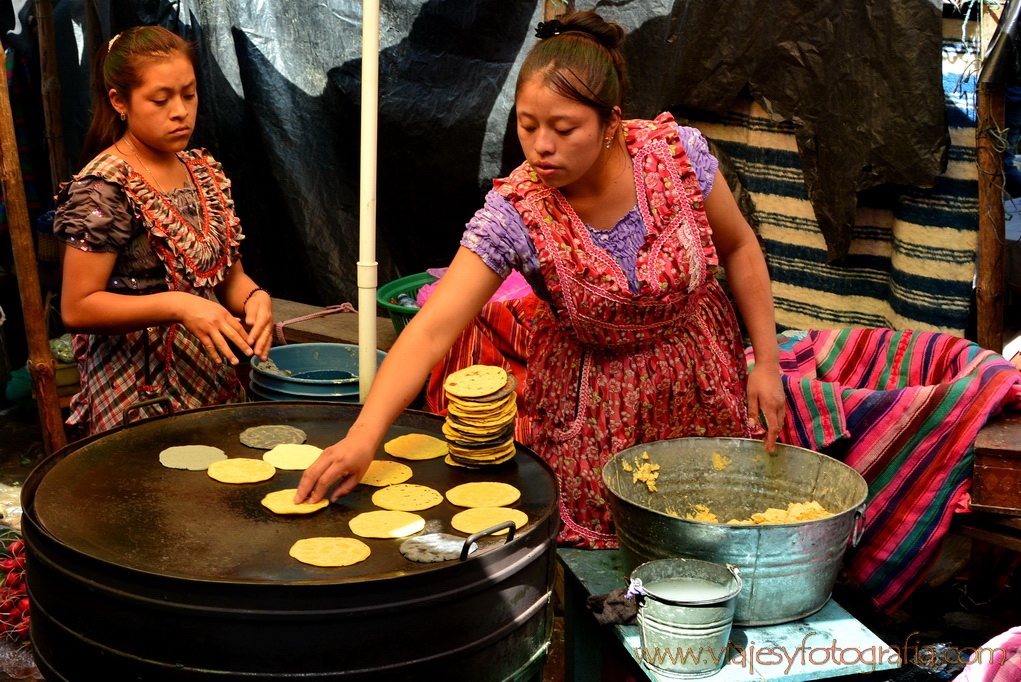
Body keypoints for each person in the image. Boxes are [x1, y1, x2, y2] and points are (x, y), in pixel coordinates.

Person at [297, 10, 785, 548]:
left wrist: (765, 362)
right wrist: (364, 436)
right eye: (527, 126)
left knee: (706, 544)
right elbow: (434, 327)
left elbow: (739, 247)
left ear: (610, 124)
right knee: (610, 564)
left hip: (702, 387)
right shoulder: (515, 212)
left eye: (564, 128)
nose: (541, 146)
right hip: (595, 420)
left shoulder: (675, 157)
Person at [54, 26, 273, 435]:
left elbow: (228, 278)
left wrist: (255, 298)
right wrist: (178, 305)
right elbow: (77, 307)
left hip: (211, 379)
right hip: (137, 394)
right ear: (119, 101)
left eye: (188, 95)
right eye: (161, 99)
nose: (180, 111)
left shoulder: (202, 171)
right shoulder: (104, 188)